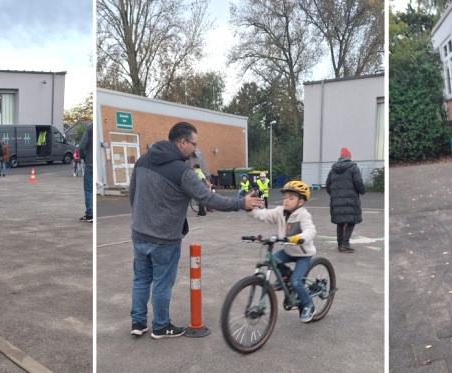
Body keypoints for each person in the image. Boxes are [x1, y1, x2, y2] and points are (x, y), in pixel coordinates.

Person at [129, 121, 262, 339]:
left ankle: (138, 322)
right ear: (182, 142)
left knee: (141, 279)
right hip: (165, 238)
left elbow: (132, 194)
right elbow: (208, 198)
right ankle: (161, 327)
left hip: (139, 234)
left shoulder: (143, 161)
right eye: (194, 144)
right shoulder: (182, 171)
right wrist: (240, 203)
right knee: (162, 282)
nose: (195, 149)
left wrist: (139, 220)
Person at [247, 180, 318, 322]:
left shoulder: (303, 215)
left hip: (303, 253)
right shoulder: (280, 212)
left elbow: (310, 230)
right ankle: (285, 279)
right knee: (271, 259)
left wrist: (300, 238)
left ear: (300, 202)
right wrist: (250, 210)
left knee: (297, 281)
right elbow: (265, 215)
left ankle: (308, 305)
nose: (286, 201)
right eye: (285, 198)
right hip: (289, 250)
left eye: (291, 198)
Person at [326, 147, 366, 253]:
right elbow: (358, 182)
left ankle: (340, 244)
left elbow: (327, 186)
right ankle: (345, 243)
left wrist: (335, 195)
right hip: (351, 200)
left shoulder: (332, 170)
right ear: (349, 157)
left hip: (336, 201)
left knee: (340, 222)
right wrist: (362, 191)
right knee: (351, 221)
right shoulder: (353, 168)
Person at [78, 124, 93, 222]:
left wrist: (83, 156)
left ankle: (90, 213)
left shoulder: (89, 130)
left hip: (90, 164)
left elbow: (81, 147)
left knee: (88, 190)